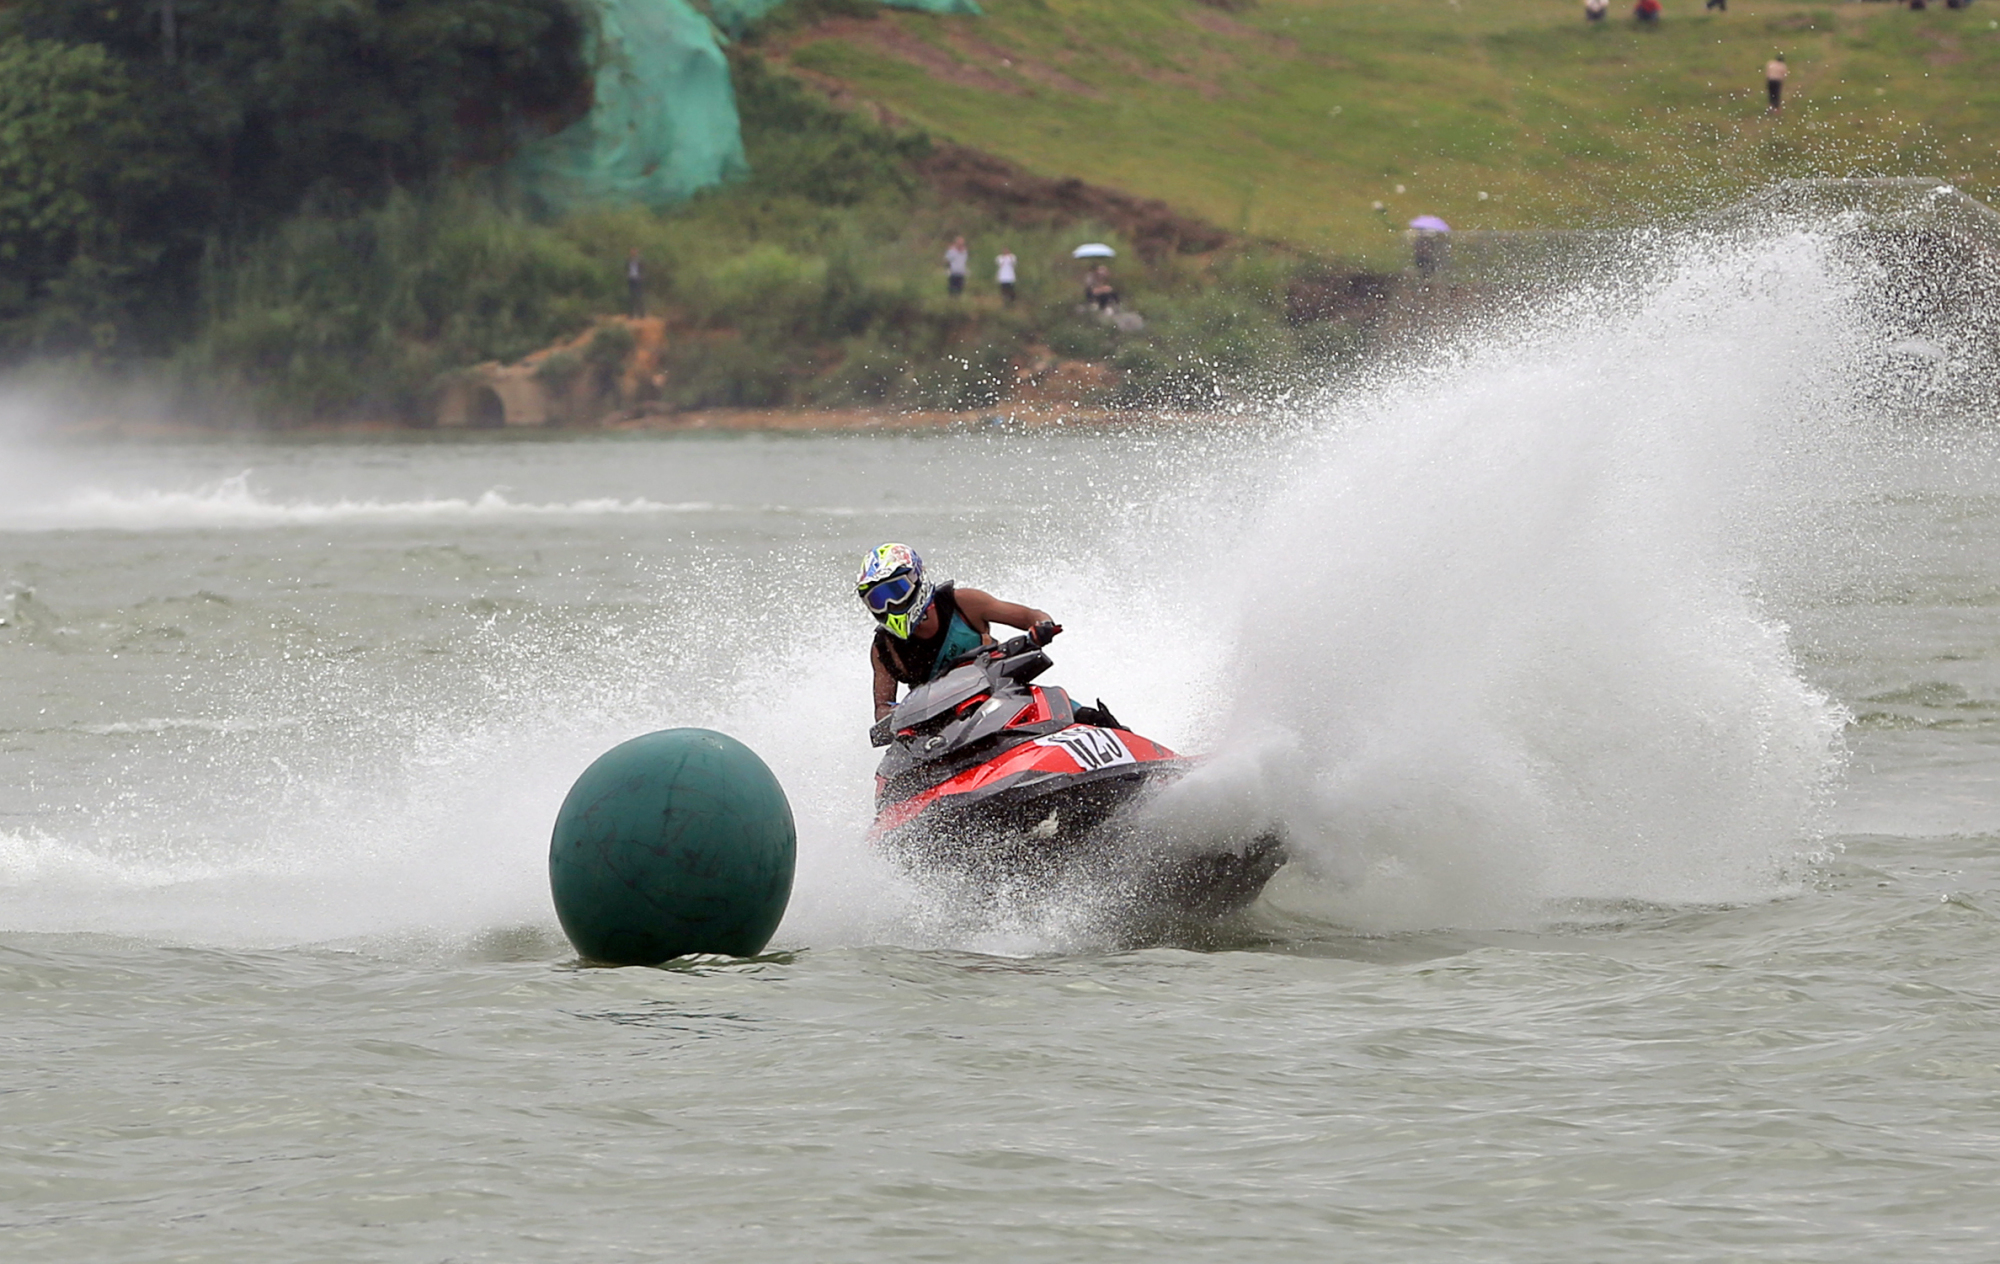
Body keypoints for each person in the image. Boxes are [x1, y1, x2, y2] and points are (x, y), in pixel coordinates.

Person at [857, 543, 1058, 721]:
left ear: (916, 578)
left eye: (895, 591)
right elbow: (882, 710)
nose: (889, 604)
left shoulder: (965, 604)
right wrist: (902, 713)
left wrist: (1043, 627)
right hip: (944, 729)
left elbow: (1031, 616)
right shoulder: (884, 648)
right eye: (877, 600)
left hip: (1000, 701)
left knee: (1066, 709)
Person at [626, 248, 644, 319]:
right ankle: (631, 314)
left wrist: (642, 277)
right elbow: (626, 268)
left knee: (639, 295)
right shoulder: (628, 260)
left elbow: (643, 269)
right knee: (631, 296)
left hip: (638, 278)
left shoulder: (640, 260)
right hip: (631, 278)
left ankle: (641, 314)